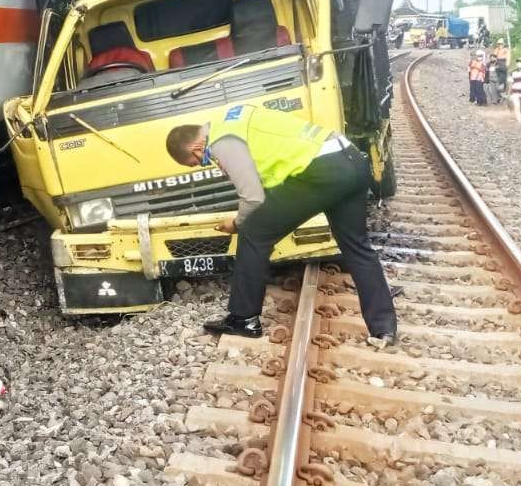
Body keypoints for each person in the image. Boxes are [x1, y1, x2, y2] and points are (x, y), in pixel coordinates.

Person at [165, 107, 397, 345]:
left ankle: (244, 319)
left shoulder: (221, 142)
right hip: (351, 160)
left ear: (196, 148)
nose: (203, 163)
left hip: (321, 171)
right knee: (357, 247)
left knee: (254, 232)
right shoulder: (232, 119)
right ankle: (384, 329)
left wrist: (236, 223)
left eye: (196, 163)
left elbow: (253, 198)